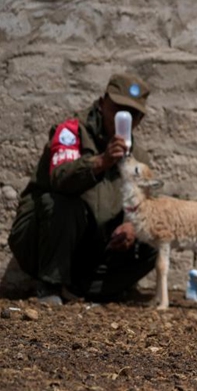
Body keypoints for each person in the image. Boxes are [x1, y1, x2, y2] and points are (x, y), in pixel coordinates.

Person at [8, 73, 158, 305]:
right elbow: (60, 178)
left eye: (133, 114)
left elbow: (146, 204)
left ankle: (87, 291)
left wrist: (132, 227)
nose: (124, 117)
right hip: (43, 238)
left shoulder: (138, 157)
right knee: (61, 204)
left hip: (93, 246)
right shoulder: (71, 132)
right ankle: (51, 285)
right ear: (102, 103)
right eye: (118, 109)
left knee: (151, 240)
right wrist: (101, 162)